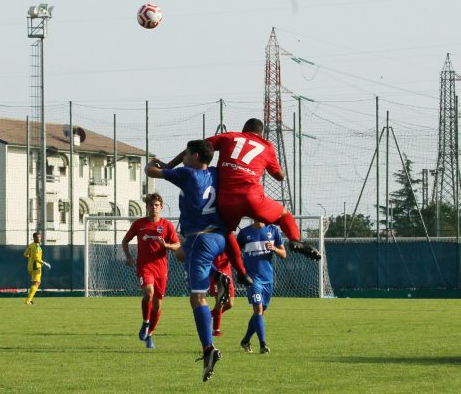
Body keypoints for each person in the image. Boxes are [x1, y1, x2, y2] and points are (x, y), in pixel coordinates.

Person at [164, 118, 321, 263]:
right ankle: (295, 240)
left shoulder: (230, 137)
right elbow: (279, 177)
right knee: (284, 216)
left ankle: (240, 271)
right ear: (261, 134)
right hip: (253, 198)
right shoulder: (267, 146)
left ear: (244, 129)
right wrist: (278, 171)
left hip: (226, 199)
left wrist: (169, 165)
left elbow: (197, 147)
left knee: (225, 233)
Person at [146, 139, 230, 382]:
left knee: (197, 297)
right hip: (212, 238)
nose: (183, 156)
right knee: (181, 253)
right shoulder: (215, 172)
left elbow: (150, 171)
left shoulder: (186, 174)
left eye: (186, 153)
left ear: (193, 156)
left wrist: (164, 164)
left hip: (201, 238)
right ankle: (218, 275)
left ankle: (208, 349)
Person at [122, 193, 180, 350]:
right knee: (148, 292)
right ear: (146, 207)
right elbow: (125, 241)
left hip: (161, 269)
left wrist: (167, 246)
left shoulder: (167, 225)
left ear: (161, 207)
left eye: (156, 205)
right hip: (144, 266)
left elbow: (177, 245)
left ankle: (150, 334)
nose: (153, 207)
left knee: (158, 305)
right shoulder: (139, 224)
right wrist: (128, 256)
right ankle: (145, 322)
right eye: (150, 205)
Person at [237, 221, 287, 354]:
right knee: (258, 309)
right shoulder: (244, 233)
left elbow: (284, 254)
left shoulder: (273, 230)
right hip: (253, 280)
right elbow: (234, 252)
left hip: (268, 279)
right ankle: (263, 344)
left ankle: (246, 340)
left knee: (259, 313)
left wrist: (274, 248)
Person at [208, 252, 235, 337]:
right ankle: (216, 330)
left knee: (230, 304)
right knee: (220, 303)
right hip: (216, 276)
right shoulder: (213, 241)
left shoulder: (229, 242)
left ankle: (208, 315)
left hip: (228, 275)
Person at [24, 232, 51, 305]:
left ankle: (30, 299)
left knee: (35, 283)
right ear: (35, 238)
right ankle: (28, 300)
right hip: (36, 267)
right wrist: (44, 263)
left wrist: (31, 259)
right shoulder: (36, 247)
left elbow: (25, 254)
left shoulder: (31, 245)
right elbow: (36, 258)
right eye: (38, 237)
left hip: (30, 266)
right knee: (37, 283)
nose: (40, 238)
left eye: (40, 237)